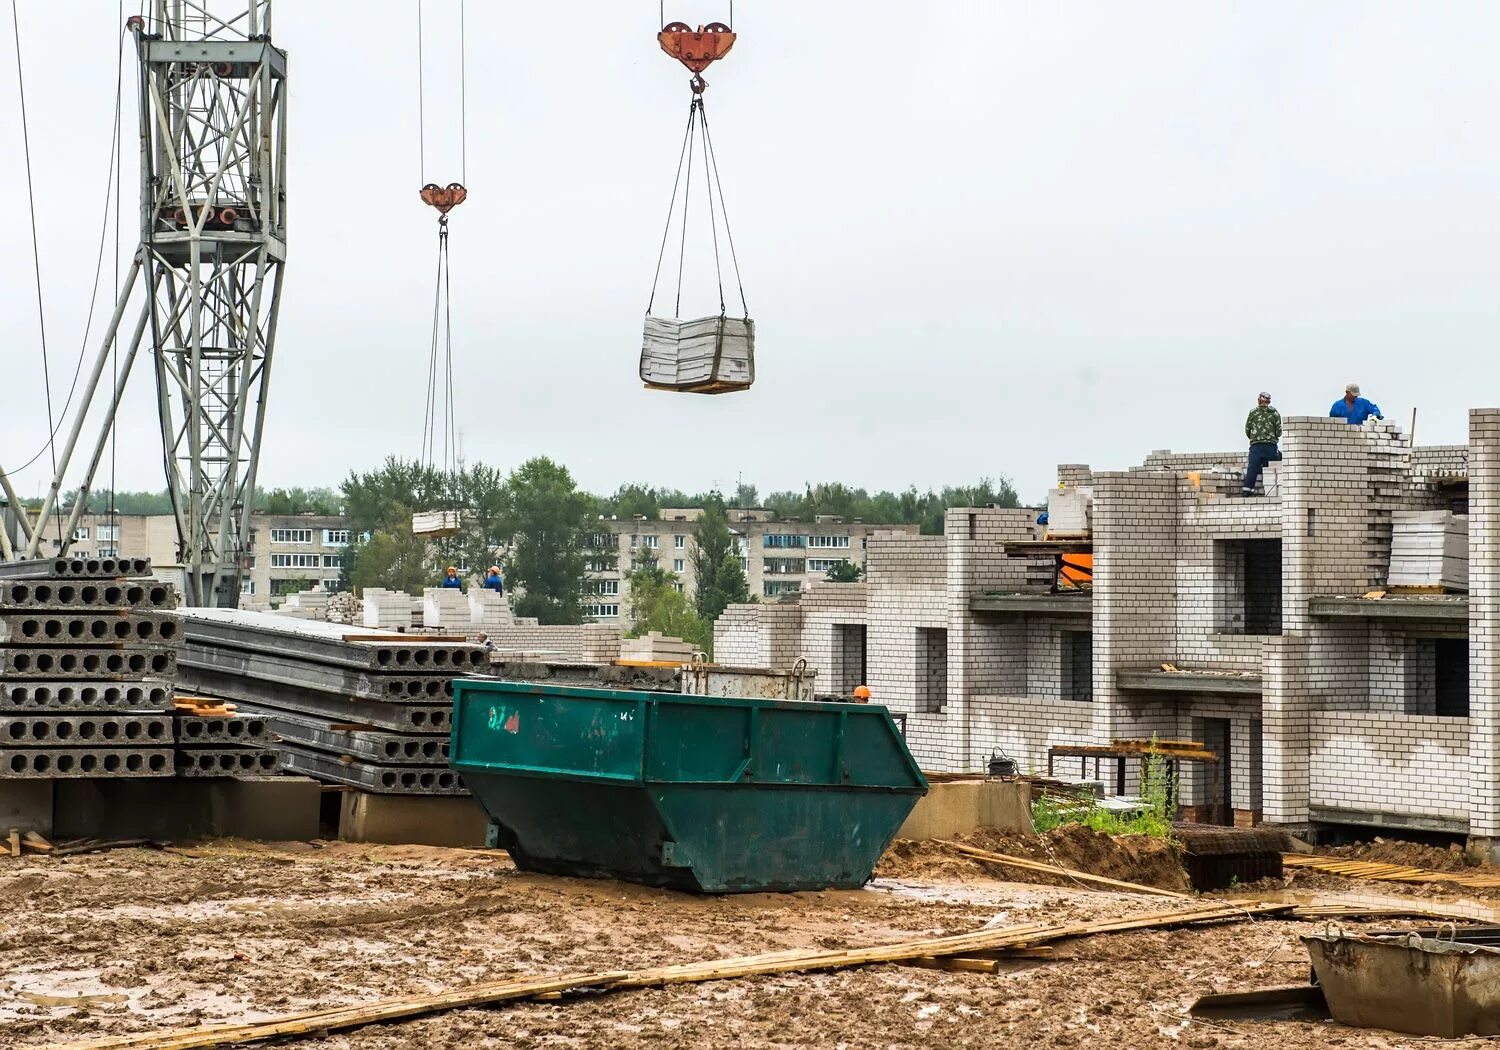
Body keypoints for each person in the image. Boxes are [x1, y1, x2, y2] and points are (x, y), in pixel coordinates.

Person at [1243, 391, 1282, 497]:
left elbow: (1247, 429)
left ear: (1258, 401)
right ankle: (1273, 491)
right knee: (1273, 468)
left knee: (1252, 468)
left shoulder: (1253, 412)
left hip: (1256, 446)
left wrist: (1254, 438)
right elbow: (1279, 431)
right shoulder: (1274, 412)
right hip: (1270, 446)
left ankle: (1247, 490)